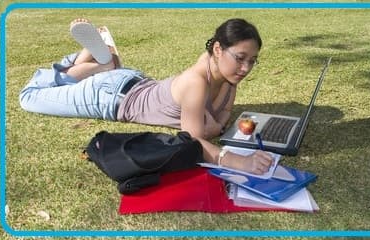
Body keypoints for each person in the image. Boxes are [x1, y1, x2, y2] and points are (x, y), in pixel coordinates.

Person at [19, 18, 273, 175]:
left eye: (252, 61)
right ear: (218, 49)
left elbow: (219, 120)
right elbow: (193, 139)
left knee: (106, 73)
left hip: (135, 81)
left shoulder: (227, 75)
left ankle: (106, 65)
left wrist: (215, 124)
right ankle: (85, 63)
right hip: (109, 96)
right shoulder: (196, 81)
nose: (246, 68)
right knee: (28, 97)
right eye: (240, 59)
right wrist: (239, 162)